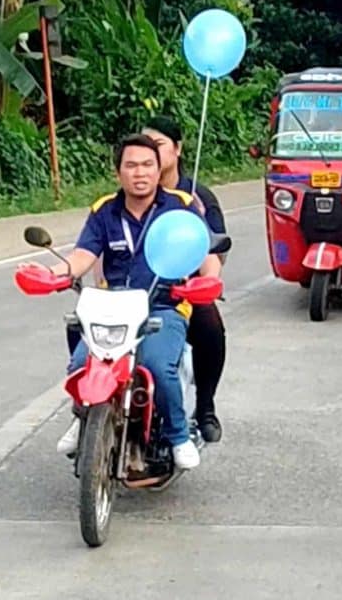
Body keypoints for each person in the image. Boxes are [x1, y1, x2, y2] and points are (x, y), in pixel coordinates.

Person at [43, 135, 221, 469]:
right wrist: (53, 273)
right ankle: (83, 418)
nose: (139, 173)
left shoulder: (181, 205)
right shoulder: (103, 210)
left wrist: (208, 280)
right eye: (131, 165)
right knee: (81, 365)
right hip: (112, 309)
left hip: (165, 305)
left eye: (147, 165)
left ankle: (179, 435)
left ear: (159, 170)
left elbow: (205, 253)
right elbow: (82, 255)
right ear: (118, 172)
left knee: (156, 366)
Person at [142, 116, 228, 443]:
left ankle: (204, 407)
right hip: (135, 292)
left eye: (159, 146)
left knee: (210, 326)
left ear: (177, 149)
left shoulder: (198, 198)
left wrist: (205, 284)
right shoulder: (130, 196)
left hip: (183, 291)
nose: (150, 156)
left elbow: (215, 250)